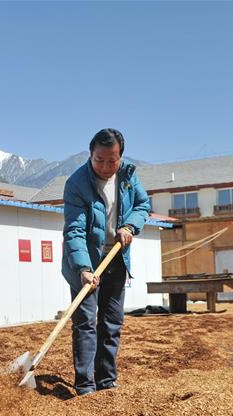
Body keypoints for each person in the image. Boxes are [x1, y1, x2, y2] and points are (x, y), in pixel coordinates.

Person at [61, 129, 151, 396]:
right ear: (91, 155)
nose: (105, 167)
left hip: (116, 259)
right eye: (99, 159)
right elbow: (74, 231)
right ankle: (85, 384)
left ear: (120, 157)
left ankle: (107, 380)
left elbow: (142, 205)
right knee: (86, 322)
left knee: (112, 321)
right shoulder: (77, 183)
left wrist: (129, 226)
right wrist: (84, 269)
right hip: (85, 262)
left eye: (112, 161)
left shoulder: (127, 177)